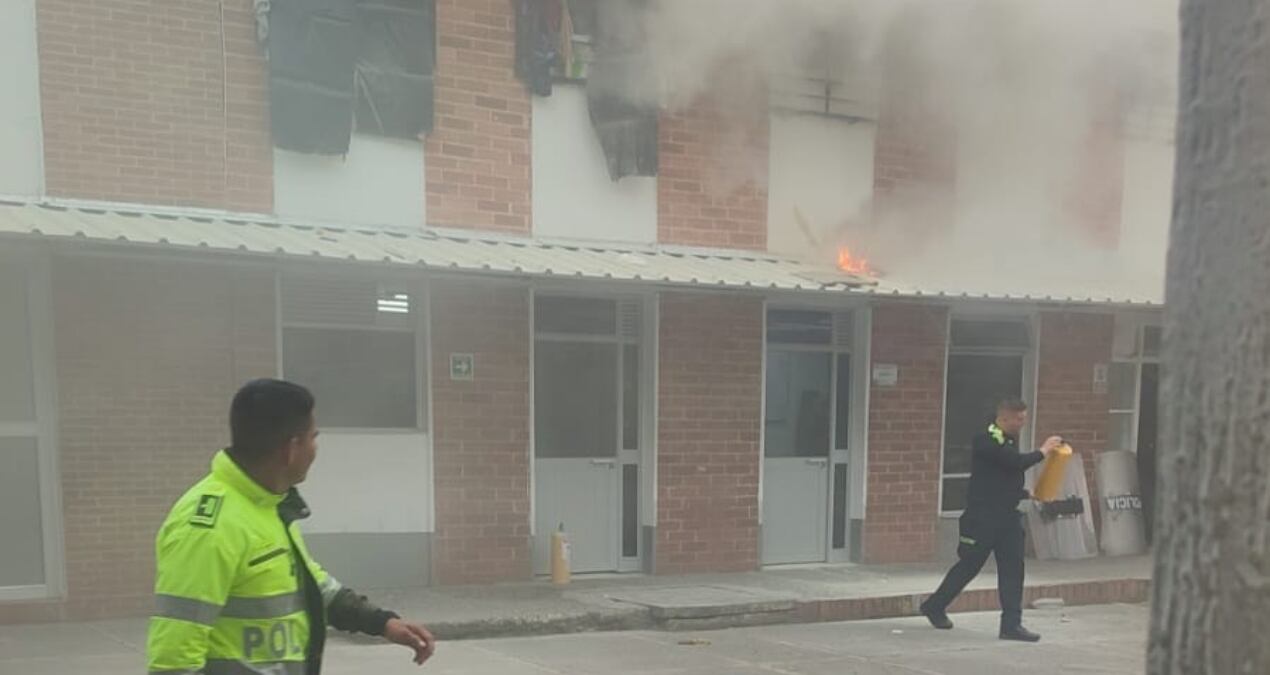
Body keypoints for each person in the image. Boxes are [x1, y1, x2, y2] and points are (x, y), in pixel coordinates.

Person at [147, 379, 436, 674]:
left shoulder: (267, 505)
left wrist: (382, 623)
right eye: (314, 437)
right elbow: (174, 656)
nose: (316, 449)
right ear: (292, 449)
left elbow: (310, 583)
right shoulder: (208, 526)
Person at [919, 398, 1062, 642]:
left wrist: (1027, 493)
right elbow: (1013, 462)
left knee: (1013, 570)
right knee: (968, 566)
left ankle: (1011, 625)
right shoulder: (986, 439)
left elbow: (1002, 477)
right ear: (1003, 418)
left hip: (1007, 517)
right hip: (982, 518)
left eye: (1024, 418)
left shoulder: (1007, 439)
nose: (1022, 423)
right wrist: (1044, 450)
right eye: (1019, 419)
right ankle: (934, 606)